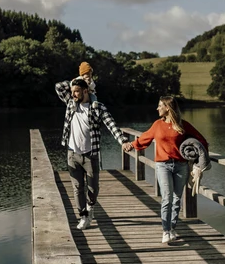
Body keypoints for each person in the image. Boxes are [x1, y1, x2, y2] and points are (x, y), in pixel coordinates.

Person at [122, 96, 208, 243]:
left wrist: (198, 159)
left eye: (160, 106)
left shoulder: (183, 125)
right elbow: (145, 138)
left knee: (176, 199)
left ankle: (172, 228)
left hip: (181, 166)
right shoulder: (157, 125)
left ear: (168, 108)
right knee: (167, 197)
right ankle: (165, 230)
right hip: (163, 166)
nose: (157, 108)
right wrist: (130, 145)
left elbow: (202, 141)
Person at [56, 77, 130, 230]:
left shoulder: (97, 107)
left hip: (91, 155)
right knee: (77, 187)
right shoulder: (71, 103)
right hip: (72, 154)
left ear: (86, 91)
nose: (74, 94)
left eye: (77, 92)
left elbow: (111, 125)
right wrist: (78, 79)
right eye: (72, 91)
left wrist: (123, 141)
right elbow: (58, 86)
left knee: (93, 189)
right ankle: (83, 216)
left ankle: (91, 205)